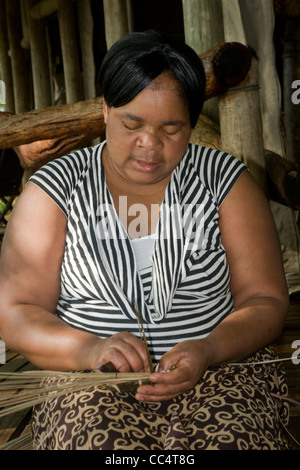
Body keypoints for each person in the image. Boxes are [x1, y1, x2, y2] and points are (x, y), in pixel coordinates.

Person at [0, 30, 290, 450]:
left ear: (191, 121)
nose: (149, 145)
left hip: (221, 370)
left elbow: (265, 299)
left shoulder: (226, 183)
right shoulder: (55, 192)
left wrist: (208, 348)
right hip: (89, 381)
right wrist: (89, 350)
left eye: (171, 129)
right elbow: (13, 312)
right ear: (105, 110)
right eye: (131, 124)